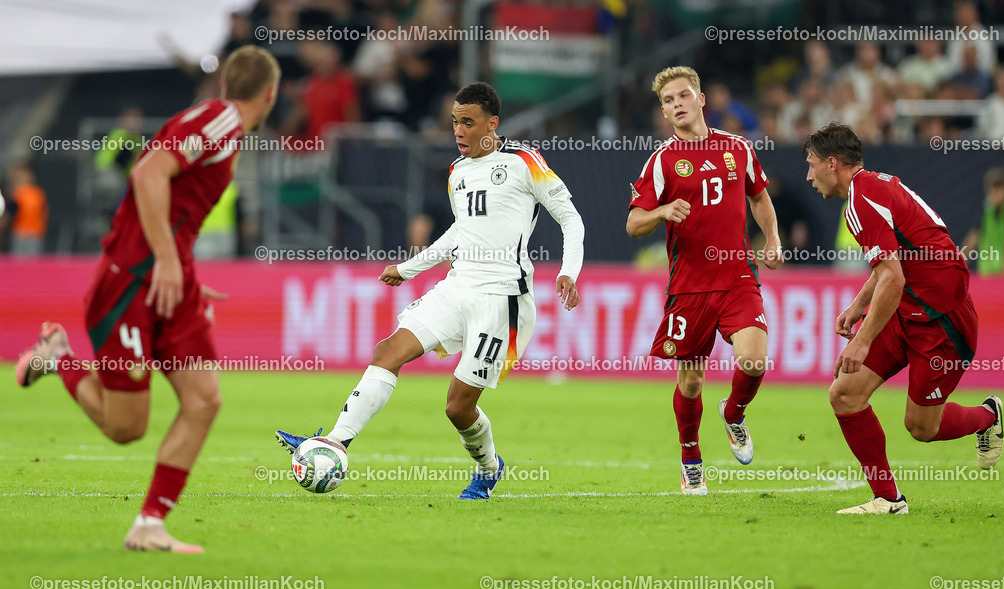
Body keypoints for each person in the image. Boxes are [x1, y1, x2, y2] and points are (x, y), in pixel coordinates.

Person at [15, 46, 281, 551]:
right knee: (125, 429)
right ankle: (60, 358)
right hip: (132, 282)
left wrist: (181, 271)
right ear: (269, 94)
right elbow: (147, 173)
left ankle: (149, 525)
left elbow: (173, 201)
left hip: (168, 280)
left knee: (203, 401)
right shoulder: (222, 122)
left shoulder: (220, 126)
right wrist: (164, 259)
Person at [274, 82, 584, 500]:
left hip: (501, 299)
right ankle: (336, 441)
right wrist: (409, 268)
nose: (458, 131)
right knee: (388, 351)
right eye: (455, 122)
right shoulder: (457, 171)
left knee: (458, 407)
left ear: (492, 124)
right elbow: (460, 232)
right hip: (457, 286)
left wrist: (569, 271)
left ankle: (489, 467)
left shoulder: (525, 163)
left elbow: (570, 218)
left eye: (468, 123)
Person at [803, 122, 1004, 515]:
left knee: (921, 428)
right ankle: (888, 499)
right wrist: (859, 305)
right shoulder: (872, 187)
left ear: (832, 164)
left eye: (811, 165)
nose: (808, 175)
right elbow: (892, 267)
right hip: (907, 307)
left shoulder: (861, 202)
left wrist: (861, 340)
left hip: (940, 320)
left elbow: (893, 278)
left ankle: (987, 415)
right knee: (844, 394)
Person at [626, 66, 784, 495]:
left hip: (737, 278)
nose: (676, 105)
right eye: (667, 101)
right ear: (664, 111)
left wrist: (771, 239)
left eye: (682, 96)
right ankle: (691, 459)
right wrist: (661, 212)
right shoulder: (661, 161)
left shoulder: (738, 148)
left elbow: (759, 197)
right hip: (690, 287)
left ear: (700, 100)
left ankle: (734, 413)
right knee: (691, 381)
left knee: (754, 361)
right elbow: (634, 223)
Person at [962, 167, 1004, 275]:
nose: (995, 192)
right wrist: (961, 263)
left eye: (999, 187)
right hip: (988, 272)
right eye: (992, 188)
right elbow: (975, 235)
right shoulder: (986, 207)